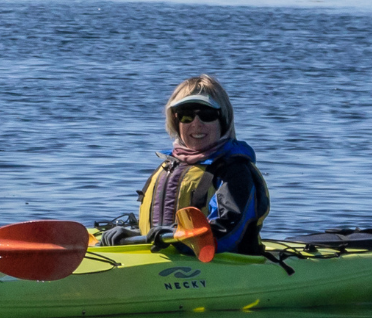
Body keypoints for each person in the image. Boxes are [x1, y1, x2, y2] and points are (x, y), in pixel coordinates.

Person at [111, 76, 269, 255]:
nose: (196, 123)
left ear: (223, 120)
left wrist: (178, 238)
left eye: (207, 114)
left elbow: (225, 235)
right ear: (176, 121)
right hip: (167, 261)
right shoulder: (168, 166)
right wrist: (132, 235)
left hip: (223, 266)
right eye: (186, 115)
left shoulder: (235, 171)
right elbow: (158, 229)